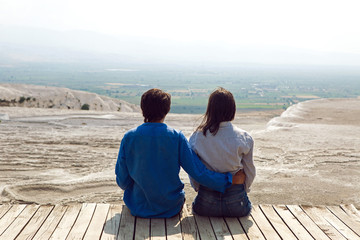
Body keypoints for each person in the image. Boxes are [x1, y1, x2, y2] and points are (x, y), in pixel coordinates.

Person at [115, 88, 243, 218]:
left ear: (143, 109)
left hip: (138, 206)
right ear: (167, 110)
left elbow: (122, 181)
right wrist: (229, 179)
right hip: (170, 207)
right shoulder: (176, 137)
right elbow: (198, 172)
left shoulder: (129, 137)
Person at [189, 87, 256, 217]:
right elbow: (250, 171)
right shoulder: (244, 137)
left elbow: (193, 171)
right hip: (237, 202)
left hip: (205, 203)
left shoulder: (197, 136)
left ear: (210, 109)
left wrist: (198, 187)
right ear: (232, 109)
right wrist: (244, 189)